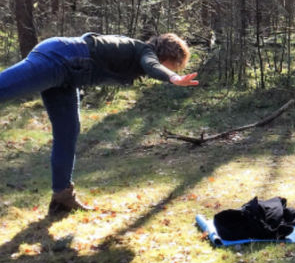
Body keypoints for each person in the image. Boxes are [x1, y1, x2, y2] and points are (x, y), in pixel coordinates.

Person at [0, 32, 199, 216]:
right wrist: (172, 78)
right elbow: (151, 64)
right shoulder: (144, 52)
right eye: (175, 66)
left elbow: (91, 38)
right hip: (58, 58)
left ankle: (62, 199)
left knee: (68, 133)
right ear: (168, 58)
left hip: (68, 76)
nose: (174, 69)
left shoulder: (131, 50)